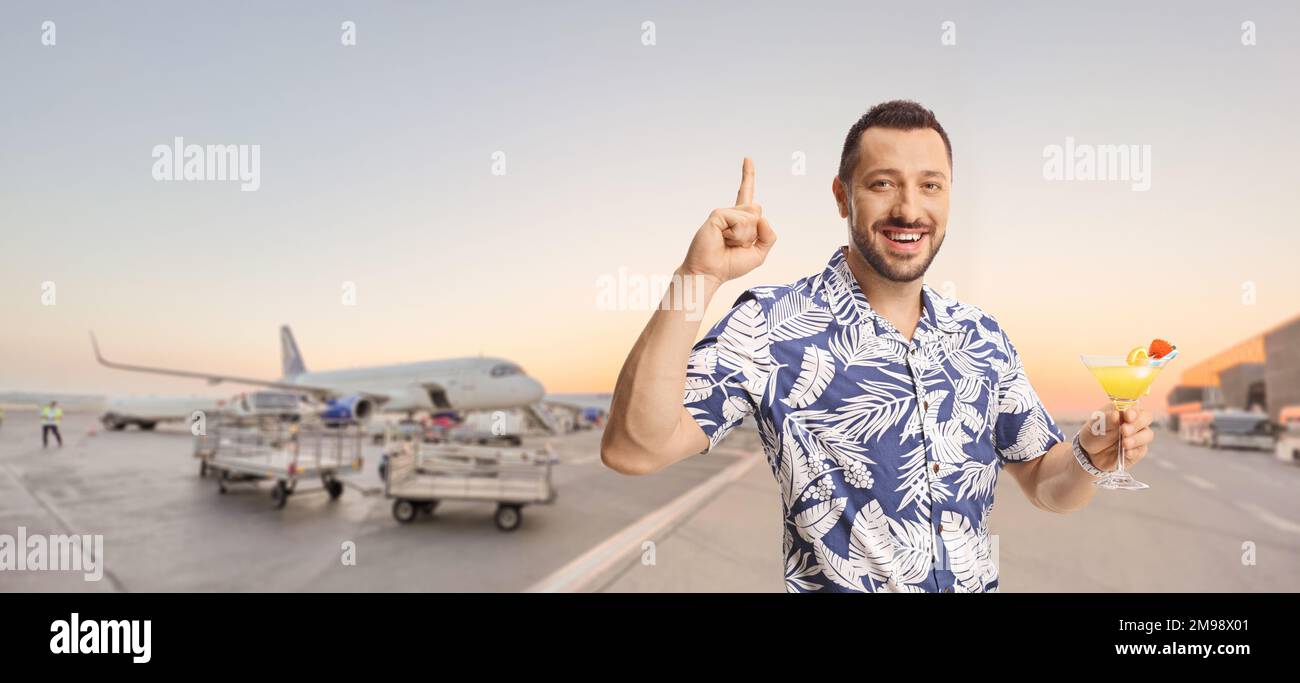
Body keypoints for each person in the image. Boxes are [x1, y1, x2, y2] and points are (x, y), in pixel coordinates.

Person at [600, 100, 1156, 593]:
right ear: (843, 197)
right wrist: (697, 276)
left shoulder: (982, 338)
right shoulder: (773, 324)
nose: (910, 209)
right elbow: (634, 450)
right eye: (883, 183)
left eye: (930, 185)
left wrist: (1088, 456)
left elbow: (1045, 485)